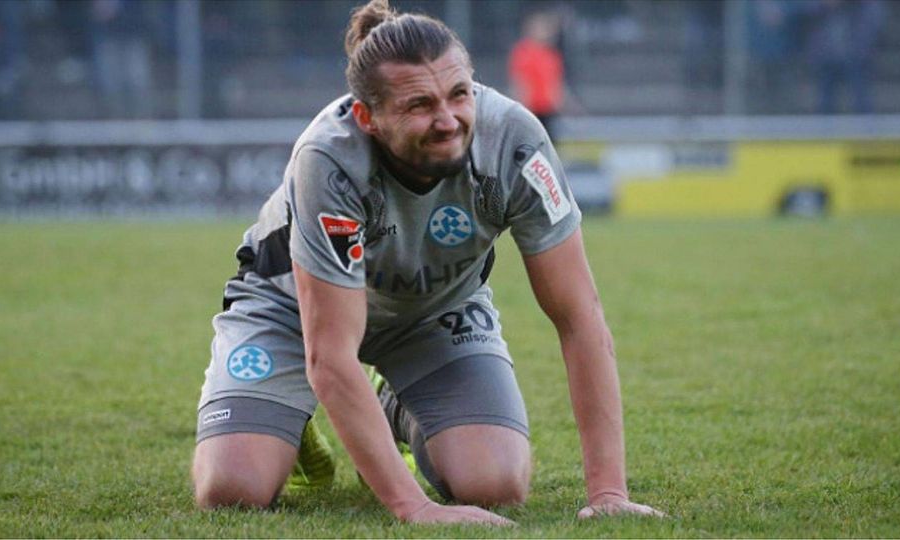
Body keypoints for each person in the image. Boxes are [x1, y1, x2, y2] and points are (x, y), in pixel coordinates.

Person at [192, 0, 663, 526]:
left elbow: (579, 316)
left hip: (431, 313)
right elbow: (328, 354)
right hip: (291, 317)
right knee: (233, 490)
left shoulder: (515, 143)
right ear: (368, 117)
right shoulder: (327, 159)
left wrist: (608, 493)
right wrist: (414, 508)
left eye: (459, 94)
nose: (448, 120)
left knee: (495, 482)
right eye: (419, 105)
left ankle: (396, 403)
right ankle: (289, 413)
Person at [507, 10, 566, 143]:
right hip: (532, 109)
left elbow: (555, 84)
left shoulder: (551, 55)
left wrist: (561, 105)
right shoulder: (523, 52)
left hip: (548, 110)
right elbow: (520, 82)